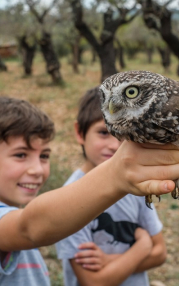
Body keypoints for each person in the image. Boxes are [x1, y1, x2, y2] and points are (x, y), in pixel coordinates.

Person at [0, 96, 179, 285]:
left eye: (44, 156)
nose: (37, 169)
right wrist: (115, 175)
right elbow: (30, 228)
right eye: (20, 155)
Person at [55, 87, 167, 286]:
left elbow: (160, 253)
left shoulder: (135, 185)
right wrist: (142, 246)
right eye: (104, 132)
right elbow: (93, 281)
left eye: (124, 135)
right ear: (80, 133)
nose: (115, 145)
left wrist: (110, 261)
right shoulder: (68, 199)